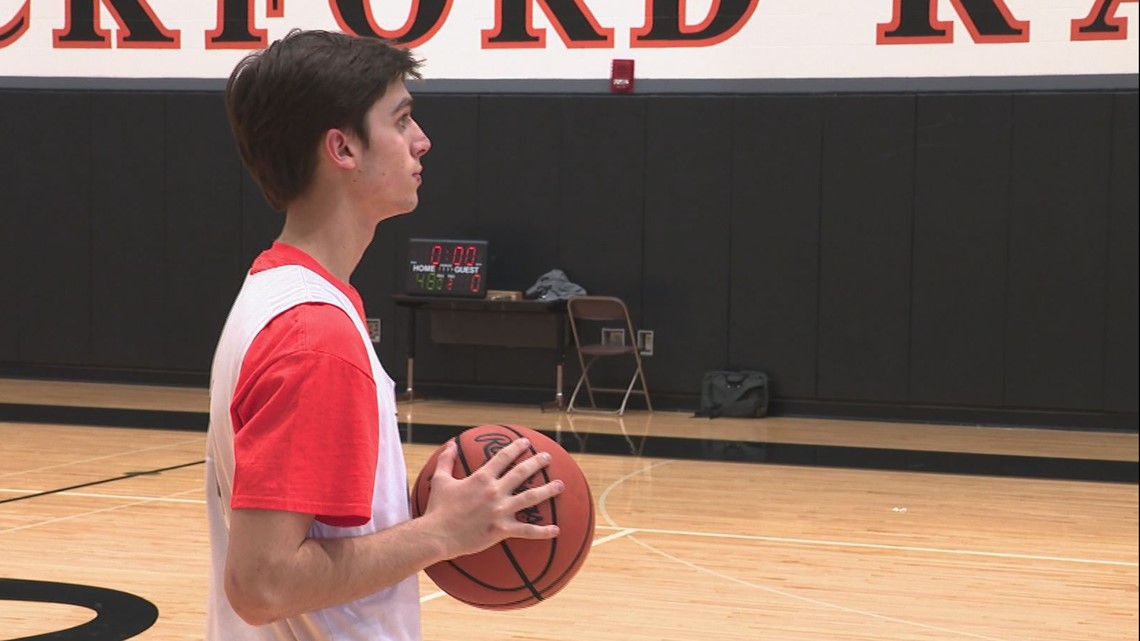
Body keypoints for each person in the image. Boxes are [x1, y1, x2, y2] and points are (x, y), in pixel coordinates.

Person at [204, 29, 563, 641]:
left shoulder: (277, 294)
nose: (422, 140)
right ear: (342, 148)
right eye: (401, 120)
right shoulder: (314, 334)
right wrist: (440, 531)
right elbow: (261, 583)